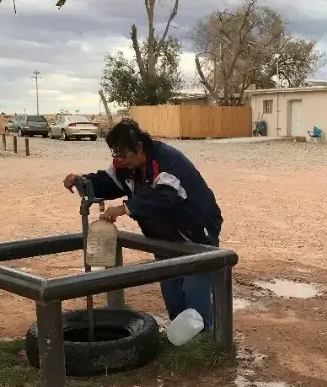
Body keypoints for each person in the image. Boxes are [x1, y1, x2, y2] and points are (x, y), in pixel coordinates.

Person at [62, 118, 222, 329]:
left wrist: (126, 208)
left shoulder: (166, 161)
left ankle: (202, 342)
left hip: (195, 230)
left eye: (123, 154)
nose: (120, 160)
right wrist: (83, 181)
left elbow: (165, 197)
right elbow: (110, 182)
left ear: (139, 147)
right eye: (115, 154)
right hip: (165, 236)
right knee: (172, 290)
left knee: (195, 287)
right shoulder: (126, 165)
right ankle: (180, 337)